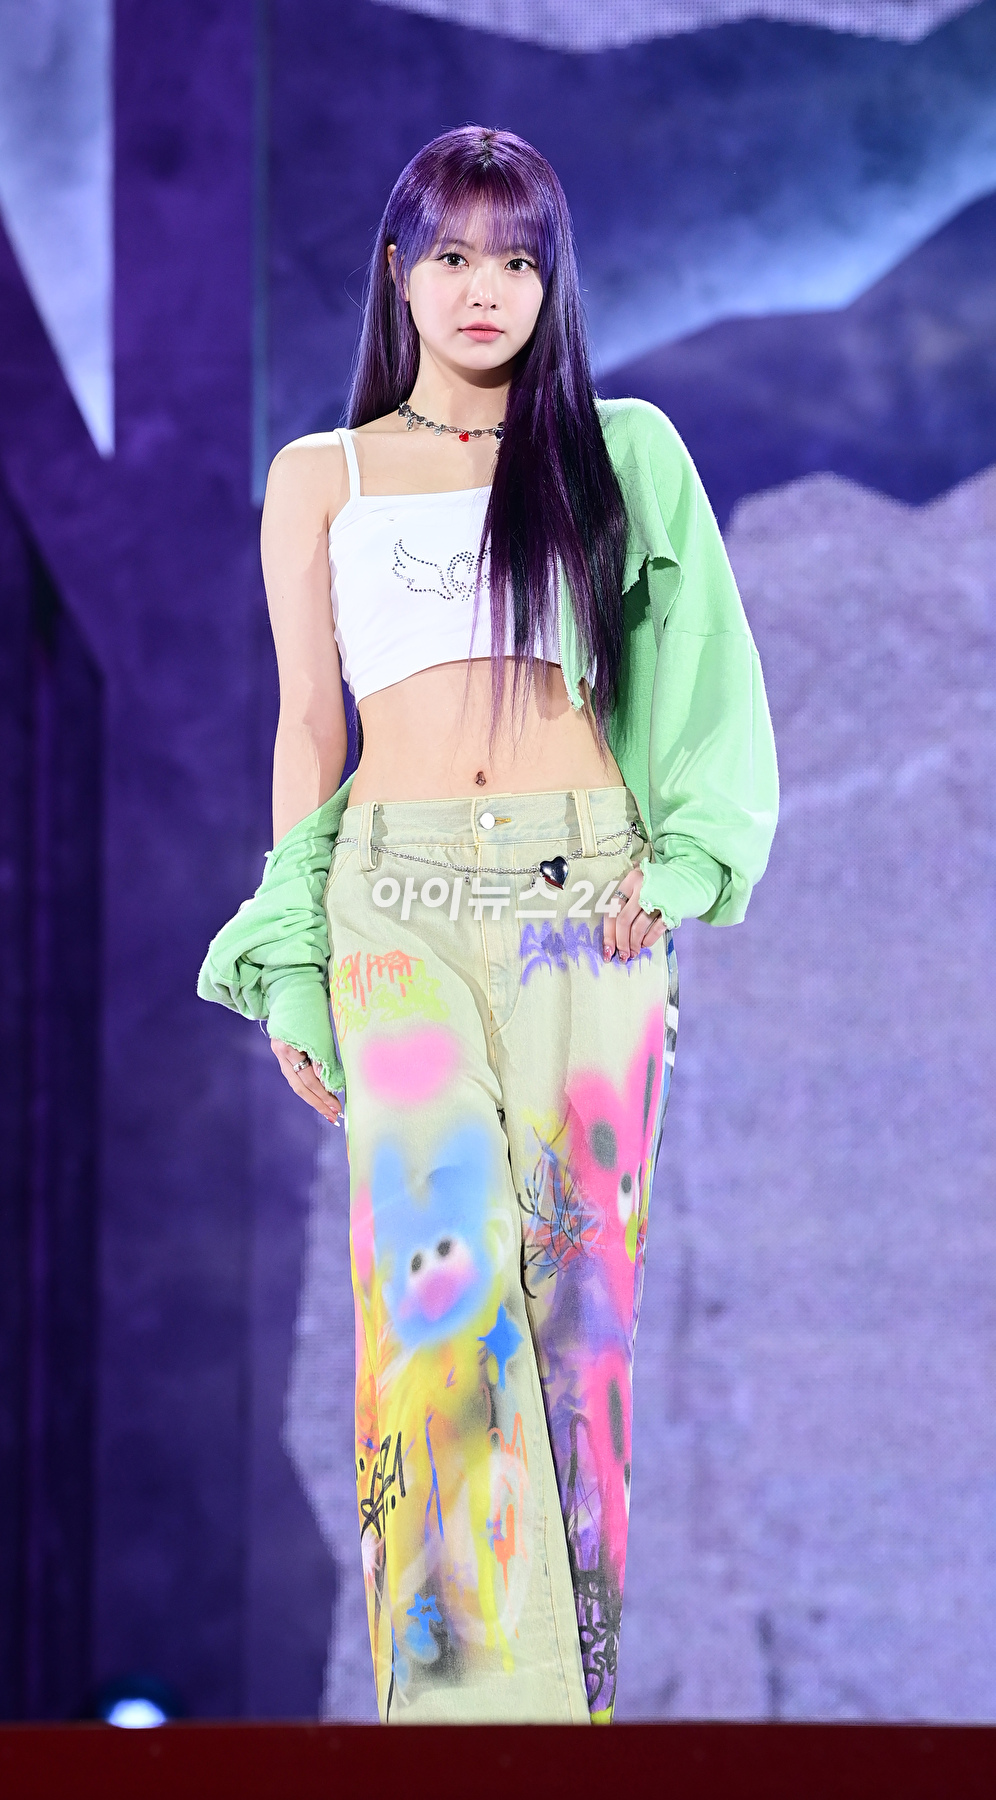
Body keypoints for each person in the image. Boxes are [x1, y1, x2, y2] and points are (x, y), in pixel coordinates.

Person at [198, 124, 778, 1724]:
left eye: (518, 261)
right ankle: (462, 1726)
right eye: (453, 254)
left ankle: (564, 1726)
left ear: (551, 282)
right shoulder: (321, 476)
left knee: (578, 1327)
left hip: (581, 912)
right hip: (395, 911)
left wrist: (678, 870)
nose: (484, 288)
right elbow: (305, 730)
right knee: (435, 1306)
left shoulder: (616, 451)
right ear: (399, 269)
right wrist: (295, 961)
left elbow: (710, 674)